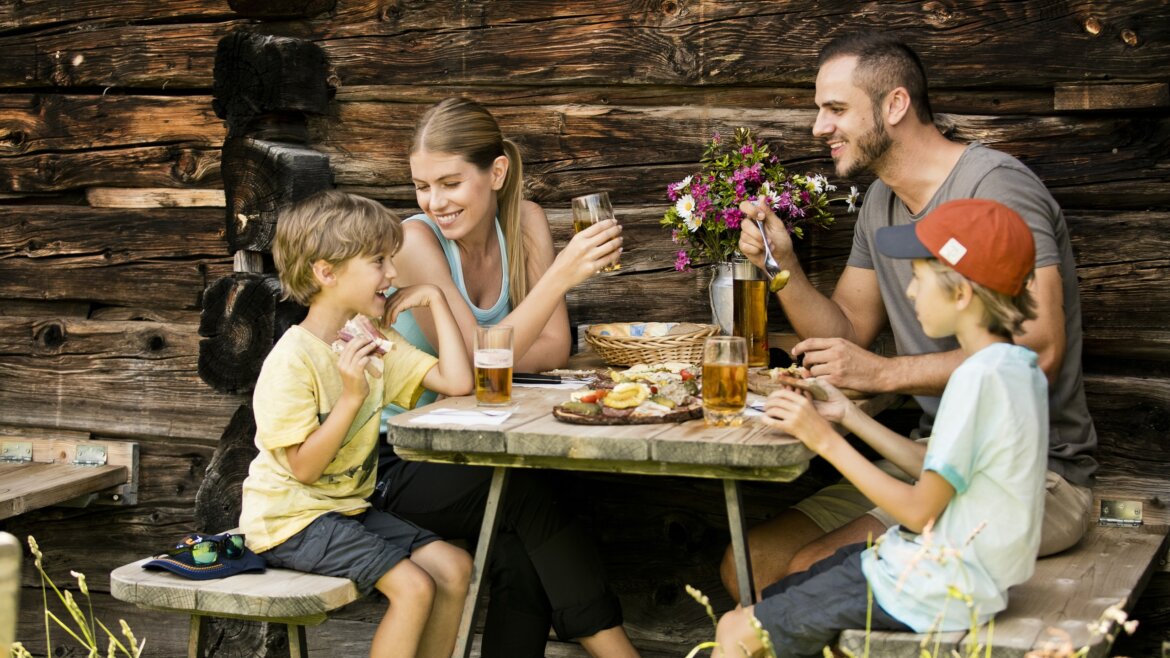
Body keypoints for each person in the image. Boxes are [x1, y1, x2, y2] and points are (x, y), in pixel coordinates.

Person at [726, 32, 1097, 600]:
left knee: (809, 574)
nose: (818, 127)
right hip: (925, 459)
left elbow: (1038, 349)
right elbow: (846, 330)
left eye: (835, 109)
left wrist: (883, 374)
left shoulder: (994, 188)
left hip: (1029, 480)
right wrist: (783, 266)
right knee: (748, 565)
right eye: (818, 110)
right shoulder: (882, 201)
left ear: (895, 105)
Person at [716, 198, 1049, 658]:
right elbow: (934, 468)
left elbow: (918, 511)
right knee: (763, 606)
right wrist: (846, 414)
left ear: (961, 294)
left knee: (735, 631)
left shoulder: (977, 379)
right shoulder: (1013, 368)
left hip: (930, 586)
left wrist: (824, 440)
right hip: (953, 576)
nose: (910, 294)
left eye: (918, 278)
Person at [371, 97, 640, 658]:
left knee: (522, 539)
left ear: (496, 173)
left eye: (450, 183)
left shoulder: (526, 222)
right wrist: (560, 277)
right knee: (521, 494)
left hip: (473, 446)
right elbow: (470, 369)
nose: (435, 202)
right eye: (423, 186)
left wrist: (490, 352)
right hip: (395, 457)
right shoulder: (417, 242)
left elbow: (555, 346)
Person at [238, 190, 474, 658]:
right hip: (290, 520)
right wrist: (351, 396)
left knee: (454, 567)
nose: (391, 274)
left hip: (345, 510)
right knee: (413, 588)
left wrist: (436, 301)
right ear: (325, 272)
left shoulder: (372, 339)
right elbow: (303, 469)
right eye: (377, 261)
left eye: (391, 260)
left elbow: (457, 382)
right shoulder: (292, 359)